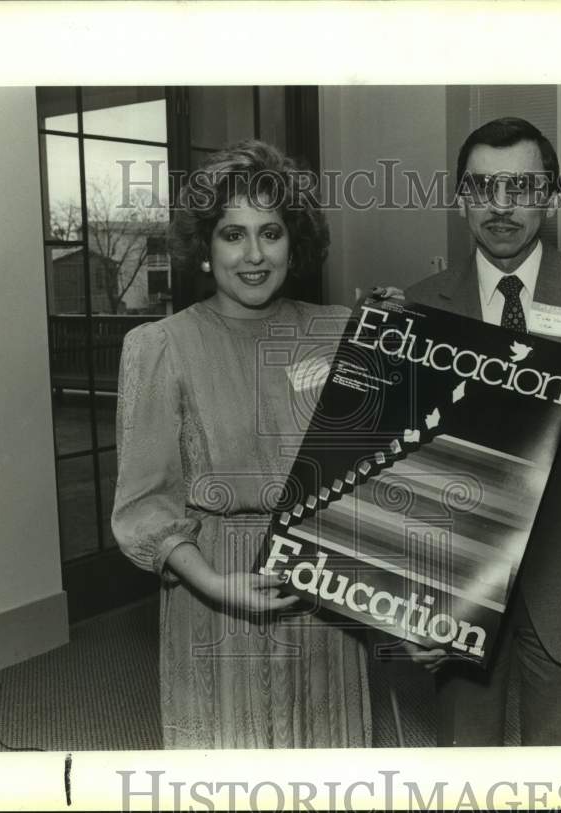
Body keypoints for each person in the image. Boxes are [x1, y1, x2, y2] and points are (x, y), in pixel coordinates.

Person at [402, 117, 561, 746]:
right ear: (461, 197)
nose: (501, 206)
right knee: (467, 765)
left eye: (521, 187)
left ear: (549, 196)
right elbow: (404, 461)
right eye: (483, 187)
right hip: (460, 577)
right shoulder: (420, 303)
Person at [111, 140, 371, 749]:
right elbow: (144, 503)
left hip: (324, 587)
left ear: (293, 243)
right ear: (204, 249)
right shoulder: (160, 346)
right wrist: (209, 581)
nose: (253, 255)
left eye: (271, 232)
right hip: (215, 589)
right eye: (232, 234)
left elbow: (381, 466)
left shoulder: (340, 331)